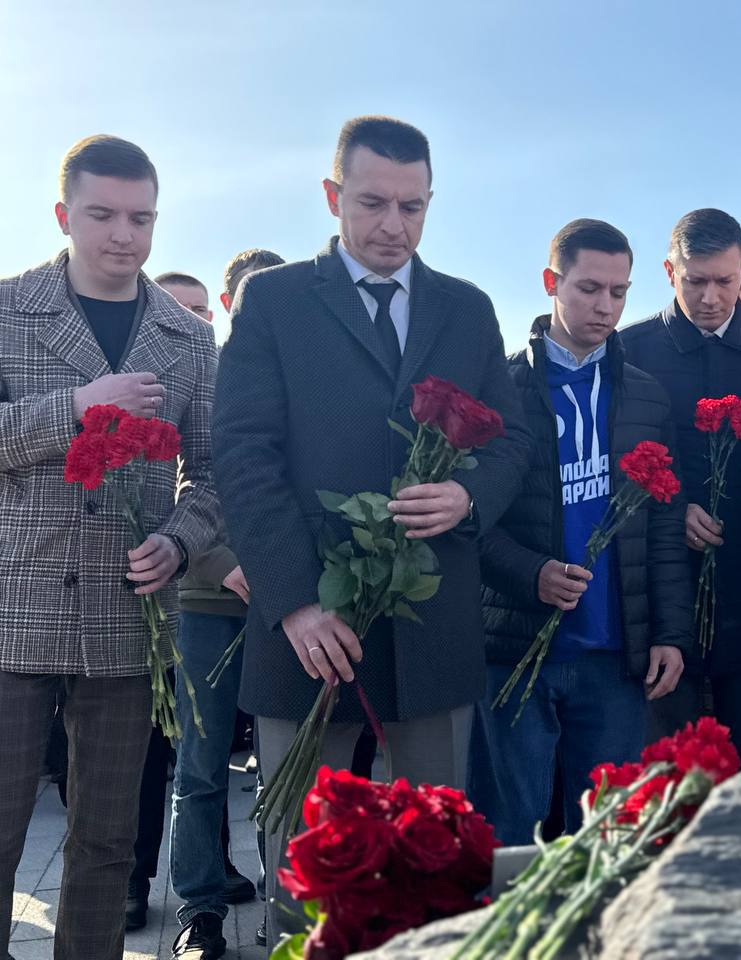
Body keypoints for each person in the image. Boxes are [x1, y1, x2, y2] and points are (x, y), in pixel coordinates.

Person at [212, 115, 530, 943]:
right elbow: (243, 455)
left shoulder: (467, 309)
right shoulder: (275, 301)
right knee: (306, 864)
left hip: (431, 624)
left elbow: (512, 440)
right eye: (373, 203)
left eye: (412, 207)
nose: (394, 225)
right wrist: (293, 603)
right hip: (310, 628)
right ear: (332, 195)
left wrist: (466, 497)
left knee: (437, 859)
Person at [0, 134, 219, 960]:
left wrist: (177, 542)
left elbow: (215, 476)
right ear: (64, 215)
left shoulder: (188, 338)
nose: (124, 235)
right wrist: (77, 406)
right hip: (14, 609)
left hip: (130, 619)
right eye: (103, 215)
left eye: (141, 218)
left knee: (106, 843)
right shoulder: (7, 309)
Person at [469, 218, 689, 844]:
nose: (605, 306)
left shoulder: (646, 396)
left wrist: (669, 633)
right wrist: (530, 573)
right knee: (510, 834)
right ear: (551, 283)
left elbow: (663, 525)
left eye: (619, 292)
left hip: (615, 655)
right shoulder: (501, 390)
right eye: (589, 288)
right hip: (518, 649)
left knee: (606, 838)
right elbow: (470, 520)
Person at [621, 209, 741, 767]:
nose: (711, 297)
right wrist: (672, 507)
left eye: (726, 281)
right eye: (695, 281)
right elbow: (615, 464)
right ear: (669, 271)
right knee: (673, 770)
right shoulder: (629, 351)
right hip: (663, 591)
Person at [166, 253, 283, 960]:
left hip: (285, 609)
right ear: (230, 300)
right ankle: (200, 910)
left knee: (282, 767)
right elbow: (173, 485)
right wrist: (220, 564)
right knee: (203, 766)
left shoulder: (302, 376)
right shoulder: (201, 374)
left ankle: (284, 904)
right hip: (209, 601)